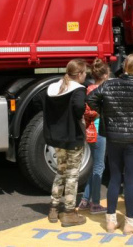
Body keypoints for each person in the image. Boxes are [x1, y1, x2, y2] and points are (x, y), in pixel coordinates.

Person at [87, 53, 133, 234]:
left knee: (114, 177)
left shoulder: (109, 84)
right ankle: (130, 221)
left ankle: (111, 221)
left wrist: (106, 113)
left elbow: (91, 99)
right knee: (130, 179)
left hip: (113, 136)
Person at [44, 59, 88, 227]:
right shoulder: (78, 90)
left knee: (60, 171)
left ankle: (53, 208)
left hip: (57, 138)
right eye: (85, 73)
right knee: (72, 175)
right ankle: (69, 212)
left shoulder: (54, 87)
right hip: (73, 136)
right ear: (79, 74)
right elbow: (78, 107)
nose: (86, 76)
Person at [78, 59, 110, 214]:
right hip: (100, 131)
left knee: (95, 165)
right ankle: (95, 204)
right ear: (105, 74)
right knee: (99, 167)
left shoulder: (89, 88)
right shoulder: (103, 90)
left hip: (90, 131)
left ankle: (85, 200)